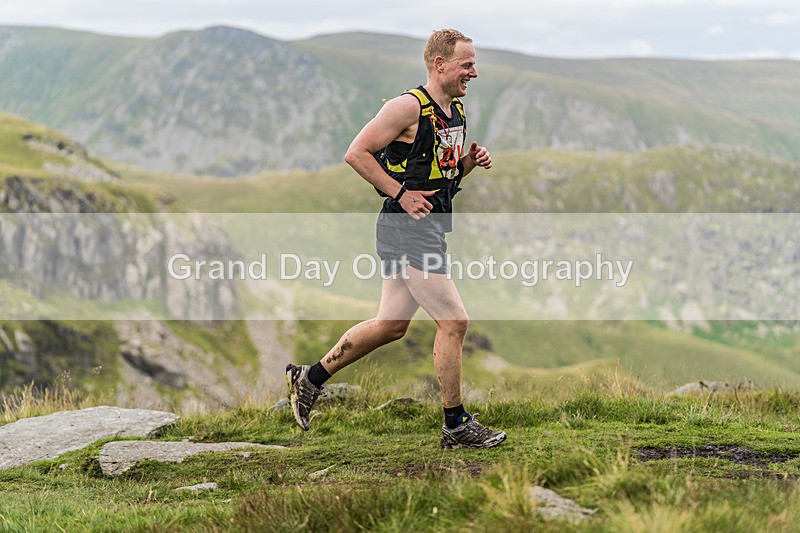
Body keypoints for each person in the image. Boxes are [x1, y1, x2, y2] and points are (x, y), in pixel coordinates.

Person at [286, 29, 506, 449]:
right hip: (406, 229)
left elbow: (441, 175)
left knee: (390, 325)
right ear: (439, 64)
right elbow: (356, 153)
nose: (474, 72)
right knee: (455, 322)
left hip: (428, 226)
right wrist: (401, 194)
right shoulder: (407, 106)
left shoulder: (454, 111)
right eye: (467, 64)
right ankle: (456, 425)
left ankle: (308, 378)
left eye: (474, 64)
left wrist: (469, 163)